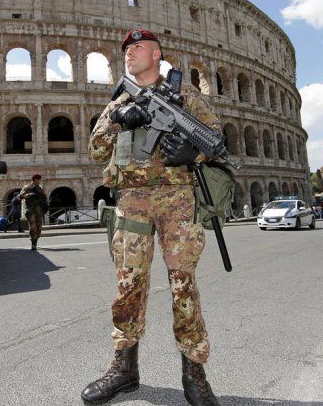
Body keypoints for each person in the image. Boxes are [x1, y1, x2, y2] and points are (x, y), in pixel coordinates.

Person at [82, 28, 223, 406]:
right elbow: (96, 150)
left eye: (139, 47)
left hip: (178, 199)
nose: (129, 53)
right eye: (126, 49)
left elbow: (214, 140)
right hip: (131, 201)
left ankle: (194, 372)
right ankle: (124, 368)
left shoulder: (186, 96)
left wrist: (189, 154)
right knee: (129, 285)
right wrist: (121, 119)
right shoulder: (120, 100)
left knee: (183, 285)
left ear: (157, 54)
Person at [19, 174, 48, 250]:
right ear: (35, 179)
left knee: (39, 227)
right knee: (32, 227)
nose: (40, 181)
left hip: (39, 210)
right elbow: (20, 196)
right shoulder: (26, 187)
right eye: (39, 179)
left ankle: (36, 239)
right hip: (30, 209)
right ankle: (33, 242)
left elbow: (44, 198)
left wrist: (45, 205)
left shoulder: (40, 188)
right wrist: (29, 195)